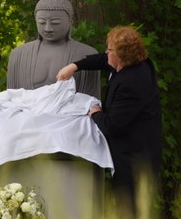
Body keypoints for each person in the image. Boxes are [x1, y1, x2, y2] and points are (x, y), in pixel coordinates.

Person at [0, 0, 104, 219]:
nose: (47, 27)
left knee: (81, 135)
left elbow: (90, 101)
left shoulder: (85, 54)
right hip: (27, 119)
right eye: (41, 22)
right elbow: (11, 99)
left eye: (55, 22)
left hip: (68, 121)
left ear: (70, 21)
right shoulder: (19, 55)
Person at [57, 25, 163, 218]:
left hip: (134, 160)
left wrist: (95, 112)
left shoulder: (132, 82)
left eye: (110, 50)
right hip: (135, 150)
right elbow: (101, 59)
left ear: (122, 55)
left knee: (129, 209)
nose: (106, 52)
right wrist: (74, 66)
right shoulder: (131, 63)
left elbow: (112, 126)